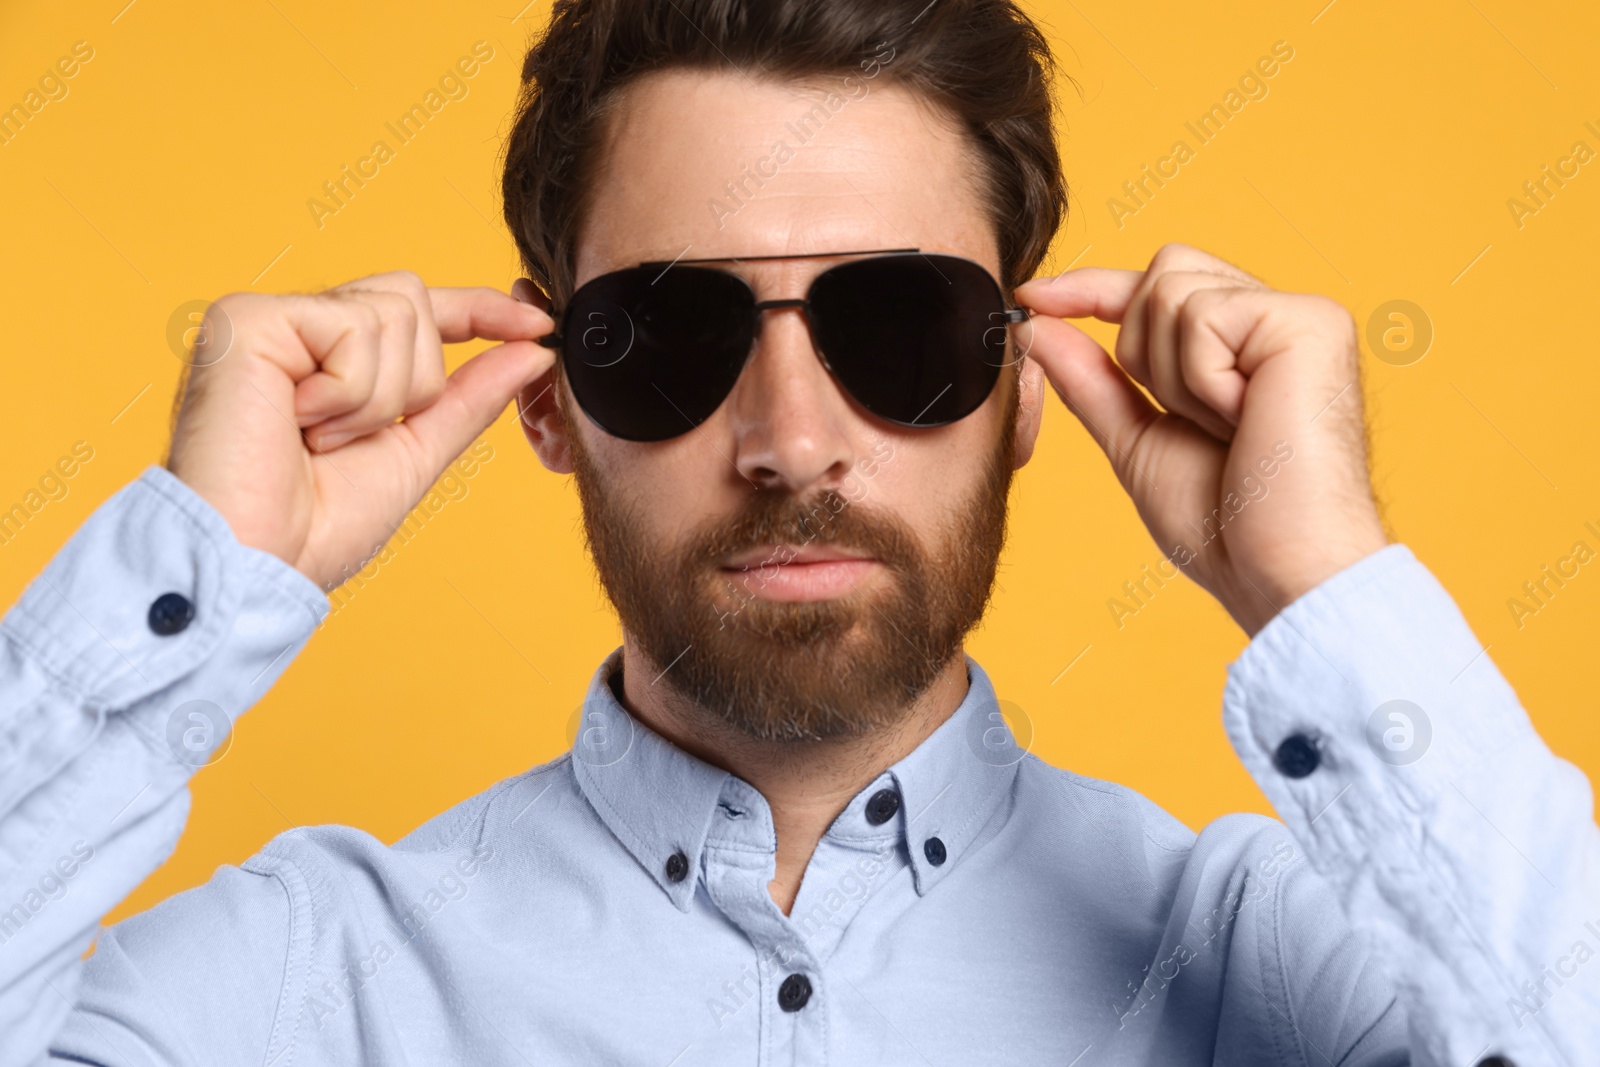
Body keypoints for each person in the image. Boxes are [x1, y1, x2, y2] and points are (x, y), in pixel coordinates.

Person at [1, 1, 1595, 1063]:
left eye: (904, 329)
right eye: (669, 337)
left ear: (1025, 390)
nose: (791, 441)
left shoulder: (1285, 972)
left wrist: (1324, 588)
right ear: (547, 405)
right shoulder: (304, 987)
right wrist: (200, 576)